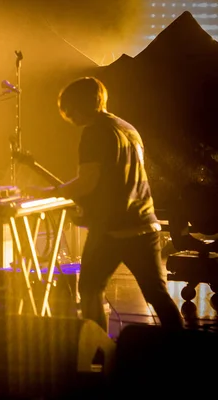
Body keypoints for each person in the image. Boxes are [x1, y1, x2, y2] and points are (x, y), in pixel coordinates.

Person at [26, 77, 183, 332]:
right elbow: (116, 180)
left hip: (112, 231)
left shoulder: (94, 131)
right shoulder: (127, 128)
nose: (67, 116)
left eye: (67, 109)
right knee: (158, 296)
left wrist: (48, 193)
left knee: (89, 289)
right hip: (145, 226)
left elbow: (88, 182)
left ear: (77, 106)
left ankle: (97, 351)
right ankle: (186, 354)